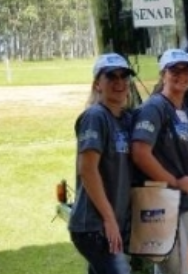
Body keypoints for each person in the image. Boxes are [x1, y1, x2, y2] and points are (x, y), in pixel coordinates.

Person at [131, 49, 188, 274]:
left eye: (186, 70)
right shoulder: (154, 108)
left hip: (184, 202)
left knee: (174, 266)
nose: (181, 75)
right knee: (176, 268)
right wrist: (176, 181)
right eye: (174, 70)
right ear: (163, 74)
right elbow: (140, 152)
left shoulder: (184, 111)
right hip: (162, 200)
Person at [69, 53, 136, 274]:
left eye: (124, 76)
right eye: (111, 77)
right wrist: (109, 219)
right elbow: (87, 170)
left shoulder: (123, 119)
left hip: (108, 223)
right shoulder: (95, 117)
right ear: (97, 84)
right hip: (94, 226)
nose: (119, 82)